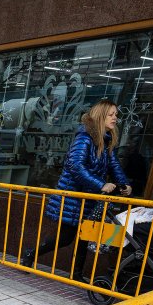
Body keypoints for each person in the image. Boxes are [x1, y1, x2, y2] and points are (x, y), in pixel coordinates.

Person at [36, 99, 132, 277]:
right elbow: (75, 166)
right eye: (111, 115)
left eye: (116, 115)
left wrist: (125, 184)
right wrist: (101, 184)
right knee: (65, 238)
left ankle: (77, 273)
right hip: (73, 198)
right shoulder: (85, 138)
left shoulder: (106, 139)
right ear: (100, 116)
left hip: (89, 198)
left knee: (84, 237)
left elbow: (114, 165)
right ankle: (30, 254)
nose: (115, 118)